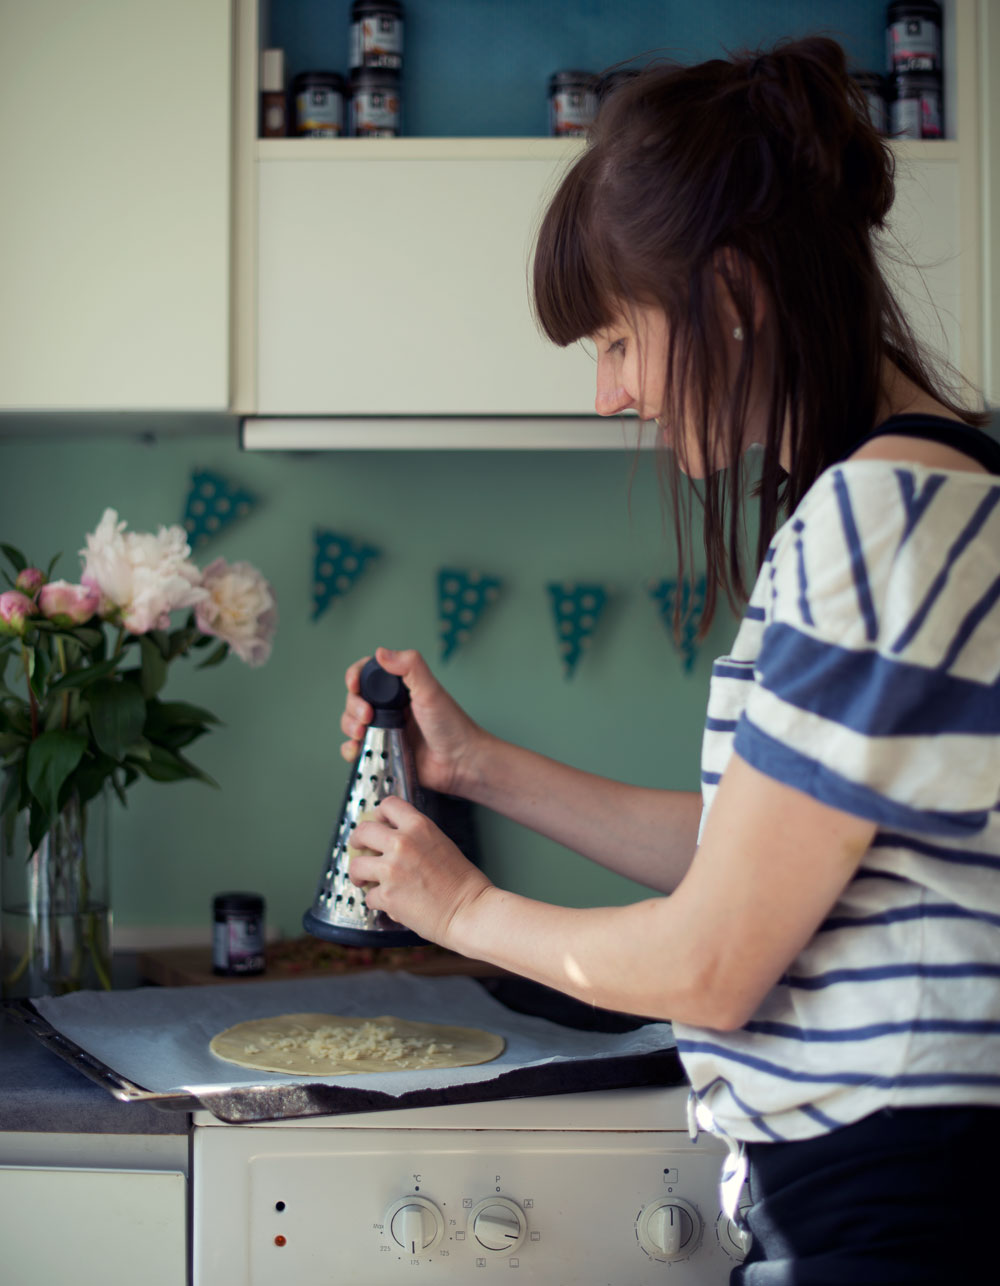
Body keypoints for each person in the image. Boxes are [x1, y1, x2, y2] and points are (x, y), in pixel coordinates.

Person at [339, 37, 1000, 1284]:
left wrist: (463, 906)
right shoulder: (929, 488)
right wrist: (478, 768)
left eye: (618, 343)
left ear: (735, 296)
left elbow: (712, 958)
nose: (609, 395)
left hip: (899, 1206)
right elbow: (750, 856)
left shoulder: (878, 515)